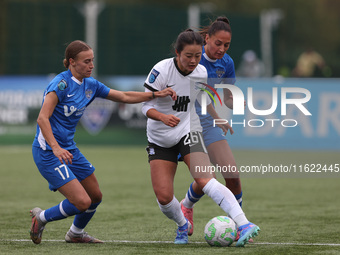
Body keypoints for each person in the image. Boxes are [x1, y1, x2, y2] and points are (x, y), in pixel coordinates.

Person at [30, 40, 176, 245]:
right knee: (81, 202)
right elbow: (42, 118)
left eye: (92, 61)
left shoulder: (91, 85)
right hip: (48, 151)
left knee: (95, 196)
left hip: (69, 149)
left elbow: (124, 95)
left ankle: (76, 234)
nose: (91, 65)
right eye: (86, 61)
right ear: (72, 62)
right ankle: (42, 218)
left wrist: (154, 94)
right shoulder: (60, 85)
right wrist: (55, 147)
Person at [142, 29, 260, 246]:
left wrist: (217, 119)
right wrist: (162, 116)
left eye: (197, 56)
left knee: (206, 179)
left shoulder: (200, 72)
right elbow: (145, 105)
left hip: (188, 131)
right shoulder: (161, 70)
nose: (194, 61)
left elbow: (203, 99)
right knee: (164, 198)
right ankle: (182, 224)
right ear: (177, 53)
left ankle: (244, 224)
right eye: (188, 56)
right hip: (160, 139)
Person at [180, 17, 249, 239]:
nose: (221, 49)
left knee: (233, 176)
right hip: (186, 122)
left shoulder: (226, 63)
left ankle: (239, 225)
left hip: (208, 123)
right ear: (206, 38)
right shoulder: (194, 58)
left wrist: (238, 102)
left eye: (226, 45)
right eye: (218, 43)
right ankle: (186, 207)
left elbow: (227, 96)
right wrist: (219, 117)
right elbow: (199, 96)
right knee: (207, 177)